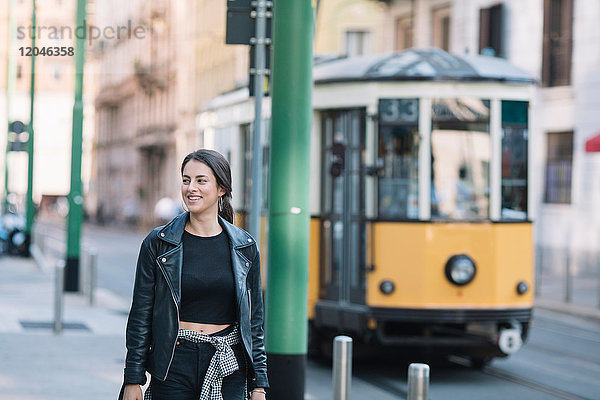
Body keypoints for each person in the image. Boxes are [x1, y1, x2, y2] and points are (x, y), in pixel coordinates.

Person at [120, 149, 268, 400]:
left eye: (201, 180)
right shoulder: (158, 243)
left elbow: (254, 321)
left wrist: (259, 384)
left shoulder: (245, 246)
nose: (191, 188)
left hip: (228, 363)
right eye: (186, 180)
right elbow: (141, 314)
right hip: (173, 362)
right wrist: (133, 378)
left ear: (221, 188)